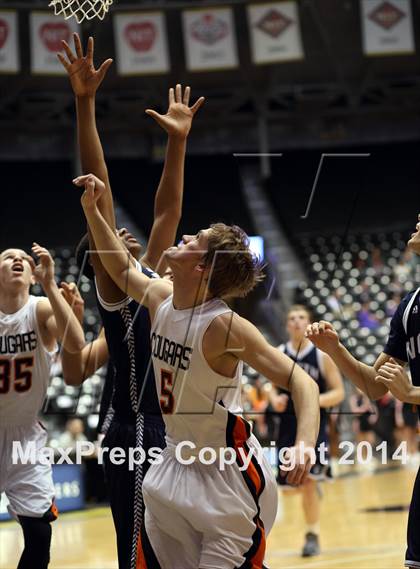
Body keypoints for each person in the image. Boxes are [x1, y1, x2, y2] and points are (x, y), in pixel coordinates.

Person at [79, 174, 321, 569]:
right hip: (173, 464)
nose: (187, 236)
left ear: (203, 268)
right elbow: (120, 267)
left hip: (226, 473)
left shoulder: (224, 327)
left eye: (196, 239)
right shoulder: (161, 298)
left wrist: (305, 444)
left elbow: (302, 381)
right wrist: (92, 210)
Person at [58, 33, 204, 569]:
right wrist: (85, 102)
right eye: (112, 233)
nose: (125, 230)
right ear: (102, 255)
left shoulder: (148, 278)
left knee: (178, 548)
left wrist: (178, 142)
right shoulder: (117, 283)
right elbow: (99, 184)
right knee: (140, 554)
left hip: (172, 426)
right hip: (134, 425)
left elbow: (167, 210)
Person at [306, 212, 420, 569]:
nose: (416, 220)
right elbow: (374, 385)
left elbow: (406, 391)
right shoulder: (408, 308)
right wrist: (335, 349)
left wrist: (413, 394)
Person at [0, 244, 85, 569]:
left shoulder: (39, 309)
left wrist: (51, 285)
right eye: (9, 257)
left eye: (24, 257)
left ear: (33, 277)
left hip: (26, 439)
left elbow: (76, 344)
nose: (18, 260)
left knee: (39, 537)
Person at [270, 304, 344, 557]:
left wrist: (312, 400)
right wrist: (273, 399)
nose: (297, 321)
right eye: (292, 318)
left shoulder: (321, 356)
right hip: (287, 428)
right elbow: (271, 388)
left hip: (314, 428)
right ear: (286, 325)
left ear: (309, 322)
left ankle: (312, 533)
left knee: (309, 483)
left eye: (302, 317)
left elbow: (338, 393)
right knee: (290, 486)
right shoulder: (279, 353)